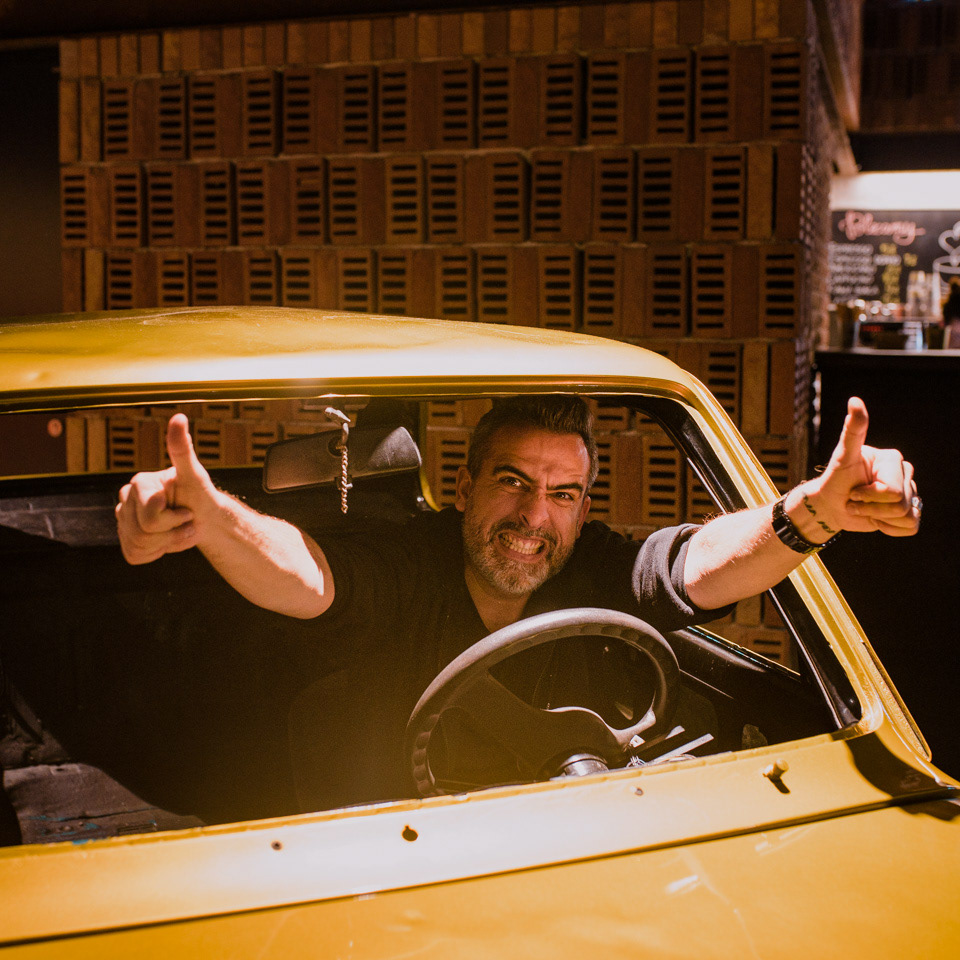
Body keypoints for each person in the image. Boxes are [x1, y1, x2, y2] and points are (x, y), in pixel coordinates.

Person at [115, 394, 919, 796]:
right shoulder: (409, 563)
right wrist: (216, 521)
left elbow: (693, 563)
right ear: (463, 488)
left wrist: (811, 512)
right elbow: (313, 576)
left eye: (563, 493)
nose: (536, 517)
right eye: (513, 482)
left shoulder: (596, 568)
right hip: (398, 858)